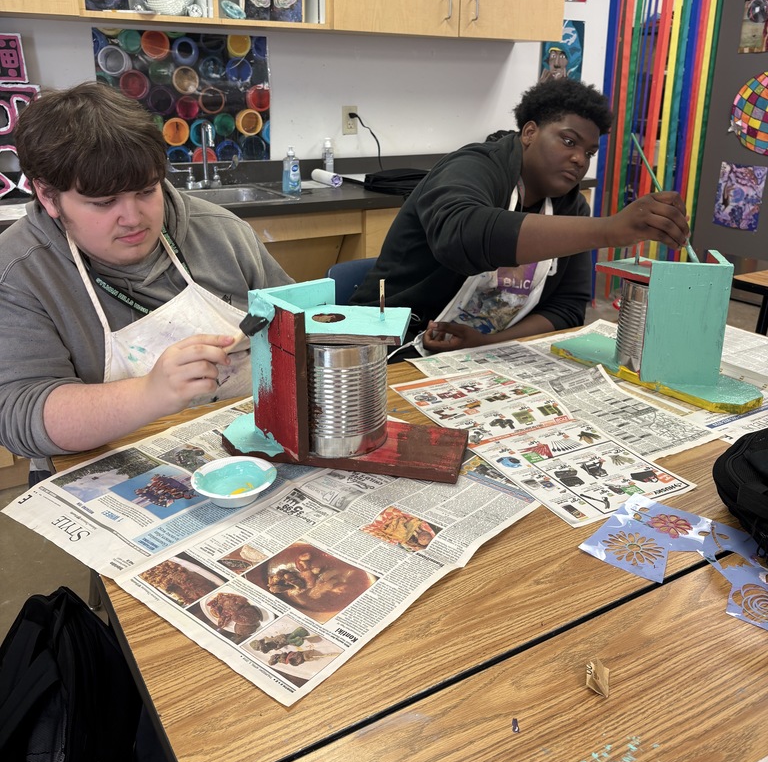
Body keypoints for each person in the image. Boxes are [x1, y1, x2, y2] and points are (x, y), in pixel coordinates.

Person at [0, 82, 292, 483]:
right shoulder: (19, 271)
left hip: (246, 454)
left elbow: (296, 323)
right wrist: (152, 393)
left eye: (146, 191)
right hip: (103, 475)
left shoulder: (221, 233)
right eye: (104, 202)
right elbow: (21, 416)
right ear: (48, 196)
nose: (134, 218)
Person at [350, 78, 690, 359]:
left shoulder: (571, 208)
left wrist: (486, 342)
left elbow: (568, 308)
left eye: (589, 152)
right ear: (529, 132)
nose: (578, 160)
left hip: (479, 353)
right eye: (568, 141)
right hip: (389, 346)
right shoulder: (472, 167)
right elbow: (462, 235)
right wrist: (608, 230)